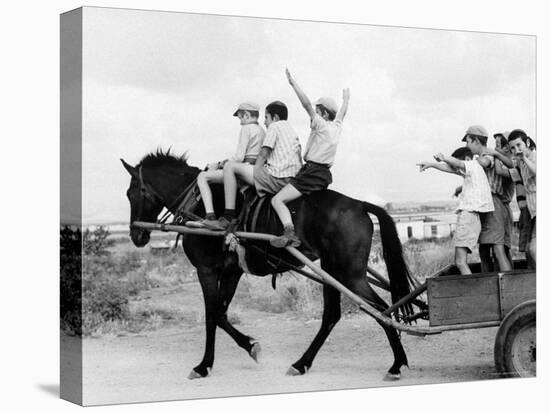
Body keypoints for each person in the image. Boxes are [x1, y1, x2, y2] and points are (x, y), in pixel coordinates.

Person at [270, 69, 350, 248]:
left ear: (323, 114)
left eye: (317, 111)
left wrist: (293, 83)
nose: (313, 113)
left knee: (277, 200)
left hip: (311, 172)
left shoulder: (321, 125)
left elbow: (305, 104)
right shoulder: (336, 127)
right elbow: (341, 114)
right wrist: (346, 100)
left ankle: (289, 232)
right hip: (323, 174)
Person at [210, 100, 303, 229]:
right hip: (292, 180)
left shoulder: (274, 127)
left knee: (230, 167)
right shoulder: (291, 130)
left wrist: (256, 170)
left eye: (266, 117)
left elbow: (264, 153)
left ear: (275, 118)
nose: (264, 122)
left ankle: (228, 216)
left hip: (277, 179)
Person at [418, 142, 494, 275]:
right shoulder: (473, 172)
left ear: (467, 159)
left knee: (460, 261)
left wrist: (443, 157)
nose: (455, 169)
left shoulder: (473, 164)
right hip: (472, 217)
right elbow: (451, 168)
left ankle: (473, 291)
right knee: (460, 261)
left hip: (468, 216)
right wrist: (432, 164)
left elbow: (457, 164)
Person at [195, 102, 265, 227]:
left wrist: (218, 164)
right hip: (255, 169)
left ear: (247, 115)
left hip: (242, 169)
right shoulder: (261, 130)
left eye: (240, 117)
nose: (240, 121)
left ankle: (210, 216)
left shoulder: (246, 129)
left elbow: (239, 157)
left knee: (202, 177)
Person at [461, 126, 513, 272]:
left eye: (469, 142)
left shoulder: (488, 155)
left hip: (493, 204)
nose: (467, 145)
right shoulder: (485, 155)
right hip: (485, 204)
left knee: (498, 249)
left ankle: (507, 286)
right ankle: (490, 285)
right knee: (484, 250)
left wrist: (465, 164)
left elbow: (485, 164)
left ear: (476, 140)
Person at [507, 129, 536, 264]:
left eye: (519, 145)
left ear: (527, 142)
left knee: (534, 248)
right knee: (528, 251)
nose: (516, 149)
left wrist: (523, 157)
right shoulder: (520, 163)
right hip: (532, 211)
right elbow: (506, 170)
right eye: (513, 147)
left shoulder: (535, 156)